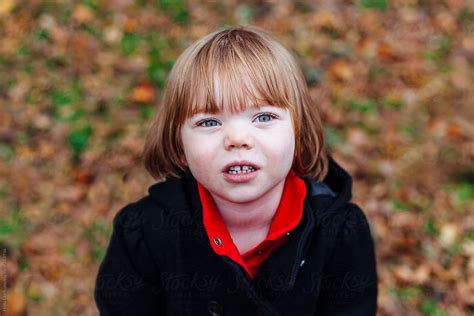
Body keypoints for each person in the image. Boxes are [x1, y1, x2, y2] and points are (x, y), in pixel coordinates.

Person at [94, 26, 378, 315]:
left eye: (264, 116)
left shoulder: (340, 232)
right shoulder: (144, 233)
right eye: (209, 122)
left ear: (298, 131)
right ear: (178, 142)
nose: (237, 139)